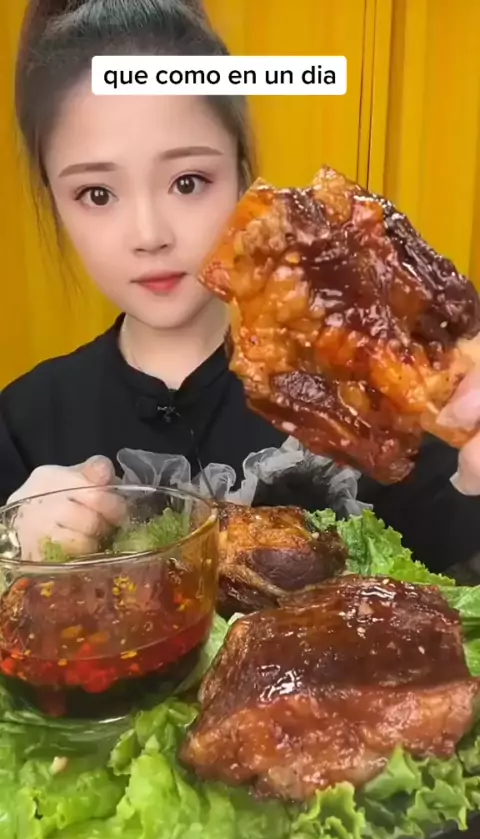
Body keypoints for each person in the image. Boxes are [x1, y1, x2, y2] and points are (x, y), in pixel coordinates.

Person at [1, 0, 480, 579]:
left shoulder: (362, 388)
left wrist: (472, 483)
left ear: (241, 174)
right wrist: (13, 554)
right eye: (97, 194)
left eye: (188, 182)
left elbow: (451, 570)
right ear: (53, 198)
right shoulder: (24, 425)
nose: (149, 234)